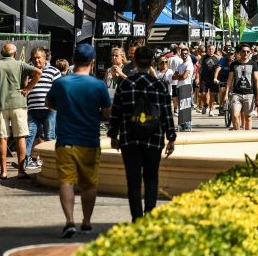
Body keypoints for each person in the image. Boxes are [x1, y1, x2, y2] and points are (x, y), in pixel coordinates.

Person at [45, 43, 112, 238]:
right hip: (89, 141)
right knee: (89, 184)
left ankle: (69, 221)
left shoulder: (61, 83)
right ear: (93, 62)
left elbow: (49, 103)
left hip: (65, 140)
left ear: (73, 61)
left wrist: (67, 110)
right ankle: (87, 222)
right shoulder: (98, 85)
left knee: (66, 182)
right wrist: (91, 114)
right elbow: (107, 114)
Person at [107, 46, 176, 221]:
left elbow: (116, 112)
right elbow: (167, 114)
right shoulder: (159, 86)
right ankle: (150, 214)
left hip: (130, 138)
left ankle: (137, 217)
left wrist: (113, 135)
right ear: (152, 62)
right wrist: (171, 138)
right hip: (154, 138)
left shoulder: (126, 84)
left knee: (133, 180)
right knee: (152, 177)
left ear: (135, 62)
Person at [0, 43, 42, 180]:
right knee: (20, 137)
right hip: (19, 105)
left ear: (2, 54)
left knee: (2, 139)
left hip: (0, 106)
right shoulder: (20, 64)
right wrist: (28, 89)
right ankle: (21, 172)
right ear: (14, 54)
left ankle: (3, 172)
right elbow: (39, 72)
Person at [24, 47, 61, 170]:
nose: (36, 60)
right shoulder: (29, 72)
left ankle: (53, 164)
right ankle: (23, 163)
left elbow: (59, 89)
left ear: (45, 58)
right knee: (29, 137)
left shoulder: (54, 71)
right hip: (33, 110)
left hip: (49, 110)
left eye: (39, 57)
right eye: (34, 58)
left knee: (50, 137)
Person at [225, 46, 258, 131]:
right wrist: (226, 94)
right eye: (244, 51)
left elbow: (256, 80)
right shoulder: (234, 64)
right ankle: (237, 134)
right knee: (235, 115)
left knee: (248, 117)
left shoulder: (253, 64)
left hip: (249, 94)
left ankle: (248, 138)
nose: (246, 53)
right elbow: (230, 80)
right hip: (236, 94)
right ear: (240, 52)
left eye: (248, 51)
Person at [197, 45, 220, 115]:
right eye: (209, 49)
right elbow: (199, 69)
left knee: (212, 94)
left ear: (214, 50)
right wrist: (197, 78)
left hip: (213, 79)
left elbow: (219, 68)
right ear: (207, 49)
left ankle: (211, 110)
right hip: (204, 78)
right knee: (203, 94)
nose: (211, 50)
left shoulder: (218, 58)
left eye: (212, 49)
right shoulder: (203, 58)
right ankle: (205, 105)